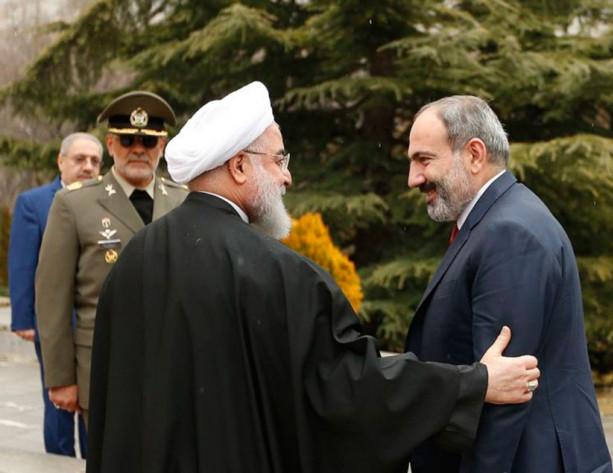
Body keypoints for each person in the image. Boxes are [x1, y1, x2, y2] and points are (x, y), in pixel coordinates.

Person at [86, 82, 540, 473]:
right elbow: (351, 389)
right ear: (239, 166)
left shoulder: (133, 260)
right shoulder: (275, 273)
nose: (287, 178)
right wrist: (474, 384)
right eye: (278, 160)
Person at [405, 96, 612, 473]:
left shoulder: (509, 233)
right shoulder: (496, 220)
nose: (413, 178)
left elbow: (507, 394)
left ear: (474, 155)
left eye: (424, 160)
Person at [35, 91, 188, 430]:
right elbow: (52, 297)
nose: (138, 149)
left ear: (162, 146)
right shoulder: (73, 204)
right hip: (104, 367)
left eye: (148, 142)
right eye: (127, 140)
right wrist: (61, 377)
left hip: (175, 369)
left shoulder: (184, 202)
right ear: (111, 144)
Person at [8, 132, 101, 457]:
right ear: (61, 161)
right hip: (53, 325)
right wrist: (23, 319)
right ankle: (60, 463)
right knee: (59, 403)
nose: (87, 167)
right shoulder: (34, 203)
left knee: (95, 401)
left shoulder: (106, 203)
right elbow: (22, 263)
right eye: (79, 159)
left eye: (94, 161)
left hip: (94, 325)